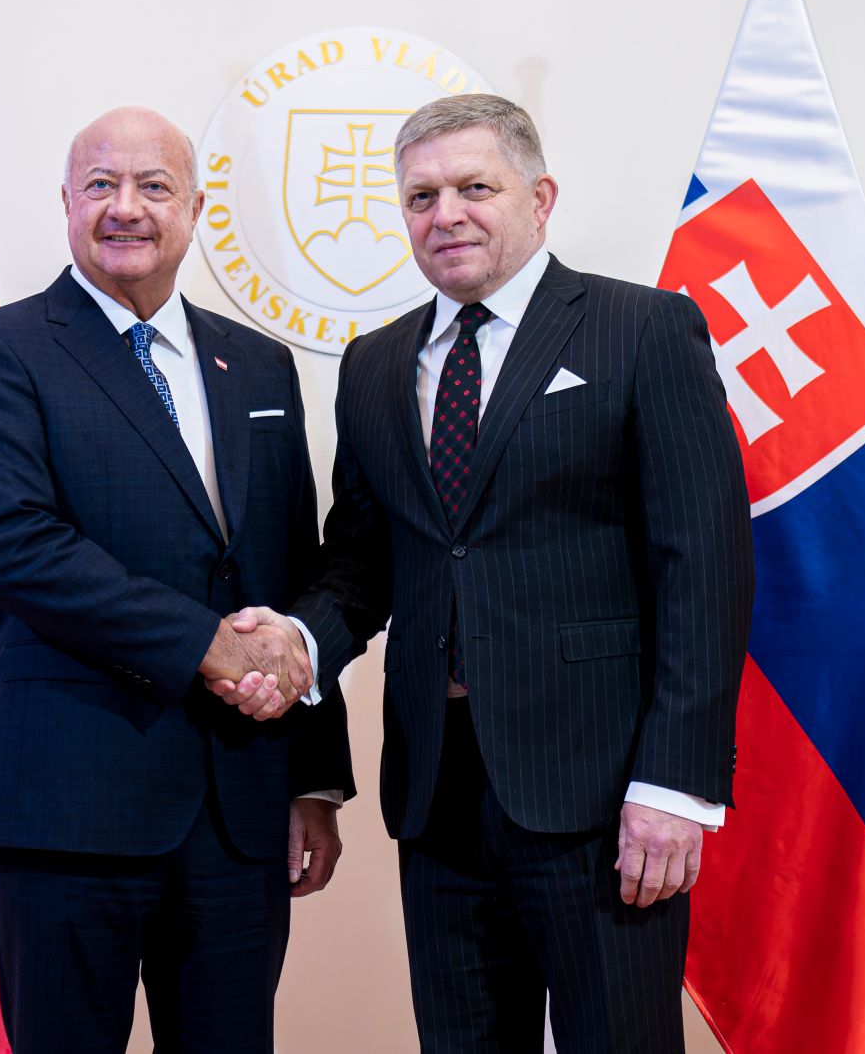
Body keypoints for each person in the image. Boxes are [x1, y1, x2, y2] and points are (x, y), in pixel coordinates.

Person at [227, 94, 753, 1052]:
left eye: (476, 187)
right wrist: (297, 643)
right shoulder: (376, 365)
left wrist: (676, 785)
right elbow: (360, 563)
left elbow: (704, 569)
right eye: (421, 196)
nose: (446, 214)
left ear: (540, 197)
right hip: (438, 792)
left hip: (601, 795)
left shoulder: (643, 331)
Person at [0, 106, 353, 1054]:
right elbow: (17, 545)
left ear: (195, 208)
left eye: (153, 186)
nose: (126, 208)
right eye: (101, 186)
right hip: (67, 800)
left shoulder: (258, 362)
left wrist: (314, 781)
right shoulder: (0, 349)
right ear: (67, 203)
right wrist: (207, 644)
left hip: (240, 809)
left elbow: (290, 565)